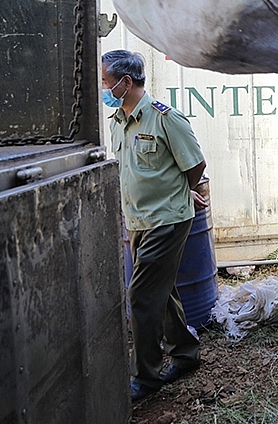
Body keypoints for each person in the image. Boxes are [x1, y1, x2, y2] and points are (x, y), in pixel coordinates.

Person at [102, 50, 207, 403]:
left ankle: (145, 377)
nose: (104, 88)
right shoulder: (117, 120)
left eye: (105, 81)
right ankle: (185, 353)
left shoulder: (166, 119)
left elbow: (194, 165)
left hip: (167, 219)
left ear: (125, 82)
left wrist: (183, 193)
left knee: (142, 295)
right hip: (137, 220)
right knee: (162, 291)